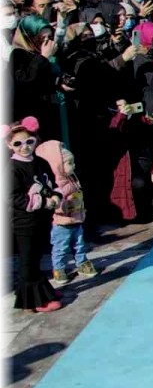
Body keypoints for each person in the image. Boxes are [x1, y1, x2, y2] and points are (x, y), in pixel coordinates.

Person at [7, 117, 63, 312]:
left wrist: (56, 196)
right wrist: (43, 202)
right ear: (9, 145)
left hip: (42, 219)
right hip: (23, 221)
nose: (25, 147)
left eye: (29, 142)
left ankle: (38, 292)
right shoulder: (11, 168)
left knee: (37, 256)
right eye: (18, 144)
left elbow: (52, 183)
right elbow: (13, 197)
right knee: (28, 259)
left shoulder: (40, 162)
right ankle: (33, 301)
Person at [35, 140, 97, 284]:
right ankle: (59, 268)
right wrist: (64, 204)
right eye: (69, 163)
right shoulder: (55, 185)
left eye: (73, 162)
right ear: (57, 166)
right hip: (61, 223)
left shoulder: (72, 179)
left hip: (77, 219)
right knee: (60, 247)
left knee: (79, 244)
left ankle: (82, 263)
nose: (73, 166)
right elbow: (54, 204)